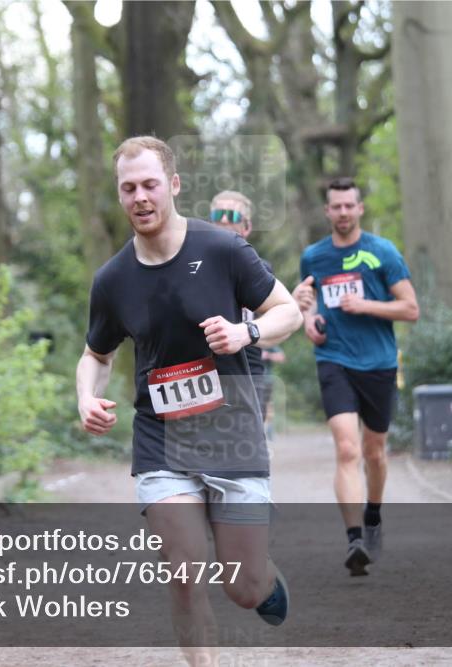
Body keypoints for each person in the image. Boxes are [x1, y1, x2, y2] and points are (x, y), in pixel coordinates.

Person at [76, 137, 303, 664]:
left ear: (173, 185)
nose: (140, 197)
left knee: (242, 588)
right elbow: (96, 354)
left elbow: (287, 311)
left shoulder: (222, 250)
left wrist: (247, 332)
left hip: (233, 434)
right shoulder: (113, 280)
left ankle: (262, 576)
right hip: (162, 439)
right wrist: (87, 396)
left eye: (150, 184)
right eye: (128, 188)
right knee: (183, 573)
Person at [292, 177, 419, 576]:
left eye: (350, 205)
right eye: (336, 206)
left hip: (379, 363)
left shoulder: (382, 253)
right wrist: (309, 321)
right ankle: (354, 541)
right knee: (347, 450)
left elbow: (410, 308)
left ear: (360, 209)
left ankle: (374, 515)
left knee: (374, 452)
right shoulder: (314, 257)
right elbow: (309, 306)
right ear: (327, 211)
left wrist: (366, 305)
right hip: (334, 360)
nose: (343, 213)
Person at [207, 190, 282, 427]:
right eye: (219, 214)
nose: (225, 220)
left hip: (247, 373)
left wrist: (296, 306)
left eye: (232, 215)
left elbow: (277, 321)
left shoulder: (260, 269)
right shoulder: (189, 265)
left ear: (247, 227)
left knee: (247, 453)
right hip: (201, 373)